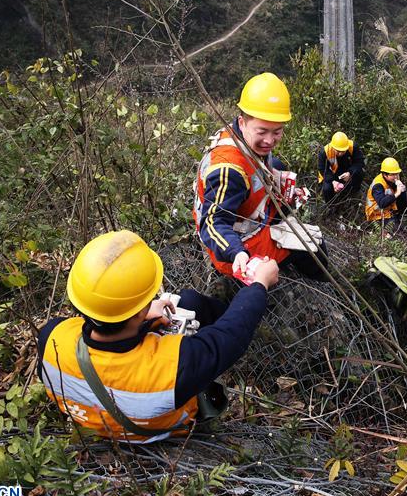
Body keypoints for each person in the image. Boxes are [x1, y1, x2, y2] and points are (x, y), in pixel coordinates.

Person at [38, 230, 280, 443]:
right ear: (138, 312)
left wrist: (142, 318)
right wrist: (259, 284)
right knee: (193, 303)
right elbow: (230, 335)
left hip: (95, 421)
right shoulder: (174, 367)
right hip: (162, 430)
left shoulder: (51, 338)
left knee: (189, 302)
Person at [193, 72, 328, 281]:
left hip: (248, 215)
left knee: (278, 166)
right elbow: (213, 222)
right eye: (262, 131)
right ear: (243, 121)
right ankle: (321, 279)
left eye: (277, 132)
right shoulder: (229, 170)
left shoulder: (239, 134)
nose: (269, 140)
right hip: (236, 248)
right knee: (313, 244)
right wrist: (237, 252)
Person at [365, 157, 407, 229]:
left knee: (404, 195)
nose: (396, 176)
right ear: (385, 174)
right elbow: (382, 203)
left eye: (397, 174)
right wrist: (397, 194)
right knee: (397, 233)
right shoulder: (378, 185)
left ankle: (401, 219)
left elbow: (404, 192)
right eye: (393, 174)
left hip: (389, 211)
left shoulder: (393, 180)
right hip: (377, 215)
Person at [317, 131, 365, 203]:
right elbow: (322, 169)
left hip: (346, 172)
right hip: (331, 175)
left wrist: (350, 173)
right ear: (333, 147)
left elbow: (359, 162)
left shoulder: (352, 147)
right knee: (327, 189)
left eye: (343, 151)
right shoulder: (324, 152)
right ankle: (331, 205)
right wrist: (333, 181)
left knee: (359, 174)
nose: (340, 153)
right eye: (338, 151)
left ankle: (352, 194)